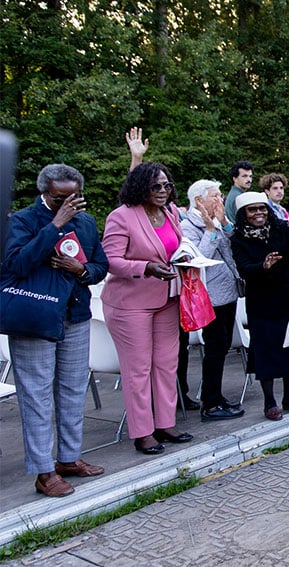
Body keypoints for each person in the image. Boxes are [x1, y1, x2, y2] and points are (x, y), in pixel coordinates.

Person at [2, 164, 108, 497]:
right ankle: (43, 471)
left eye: (74, 197)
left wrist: (83, 270)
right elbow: (16, 263)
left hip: (74, 314)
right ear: (44, 192)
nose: (68, 203)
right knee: (36, 395)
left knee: (73, 388)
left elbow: (100, 265)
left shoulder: (87, 222)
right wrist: (56, 224)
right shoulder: (21, 221)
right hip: (35, 317)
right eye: (60, 197)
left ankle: (68, 458)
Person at [102, 162, 193, 454]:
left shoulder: (171, 213)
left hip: (167, 298)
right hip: (130, 304)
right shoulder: (122, 217)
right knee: (138, 369)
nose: (163, 191)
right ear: (141, 187)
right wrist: (146, 267)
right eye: (156, 186)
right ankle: (143, 432)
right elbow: (111, 260)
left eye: (167, 186)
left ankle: (165, 423)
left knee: (167, 364)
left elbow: (177, 246)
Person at [230, 192, 289, 420]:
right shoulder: (238, 238)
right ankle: (270, 401)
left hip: (286, 294)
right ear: (244, 214)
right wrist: (262, 266)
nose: (258, 214)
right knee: (266, 351)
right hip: (261, 301)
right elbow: (243, 269)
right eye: (252, 210)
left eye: (262, 209)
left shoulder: (281, 227)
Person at [179, 180, 245, 422]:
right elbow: (199, 259)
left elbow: (232, 247)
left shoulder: (217, 220)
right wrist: (209, 230)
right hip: (211, 296)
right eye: (215, 195)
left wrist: (224, 224)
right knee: (215, 347)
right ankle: (210, 401)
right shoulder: (188, 226)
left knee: (223, 346)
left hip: (228, 291)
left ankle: (216, 395)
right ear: (199, 200)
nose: (220, 199)